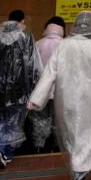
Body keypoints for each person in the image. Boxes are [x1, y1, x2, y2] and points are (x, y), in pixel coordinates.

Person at [27, 11, 91, 180]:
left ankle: (78, 174)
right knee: (87, 137)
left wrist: (37, 99)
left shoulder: (63, 46)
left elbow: (50, 72)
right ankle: (79, 177)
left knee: (71, 137)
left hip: (66, 100)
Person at [0, 8, 42, 168]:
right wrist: (35, 85)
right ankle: (3, 151)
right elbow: (32, 64)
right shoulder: (26, 37)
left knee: (2, 120)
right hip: (19, 89)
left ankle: (1, 150)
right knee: (14, 121)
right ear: (22, 21)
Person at [30, 16, 66, 152]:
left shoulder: (37, 44)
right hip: (59, 93)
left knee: (39, 121)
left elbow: (31, 69)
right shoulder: (65, 45)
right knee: (59, 122)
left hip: (40, 92)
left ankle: (39, 148)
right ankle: (56, 149)